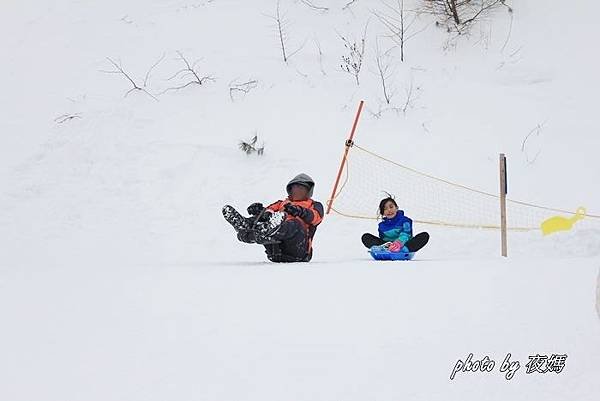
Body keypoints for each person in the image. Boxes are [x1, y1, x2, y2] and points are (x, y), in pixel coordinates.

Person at [222, 173, 324, 262]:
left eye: (301, 189)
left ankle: (268, 231)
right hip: (275, 251)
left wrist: (300, 211)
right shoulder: (282, 203)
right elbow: (269, 210)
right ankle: (245, 225)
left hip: (298, 251)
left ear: (308, 192)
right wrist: (260, 212)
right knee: (264, 219)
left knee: (295, 224)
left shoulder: (314, 205)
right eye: (295, 189)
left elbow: (316, 218)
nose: (297, 192)